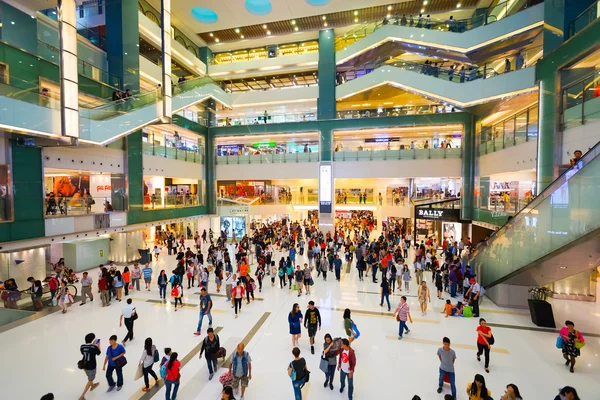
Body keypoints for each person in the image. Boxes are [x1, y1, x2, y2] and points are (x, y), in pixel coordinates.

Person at [79, 333, 101, 400]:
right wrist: (98, 345)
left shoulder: (82, 346)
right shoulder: (94, 347)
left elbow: (83, 352)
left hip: (84, 365)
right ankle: (82, 396)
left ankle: (93, 385)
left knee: (89, 376)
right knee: (90, 379)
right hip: (92, 366)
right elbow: (99, 353)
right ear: (92, 340)